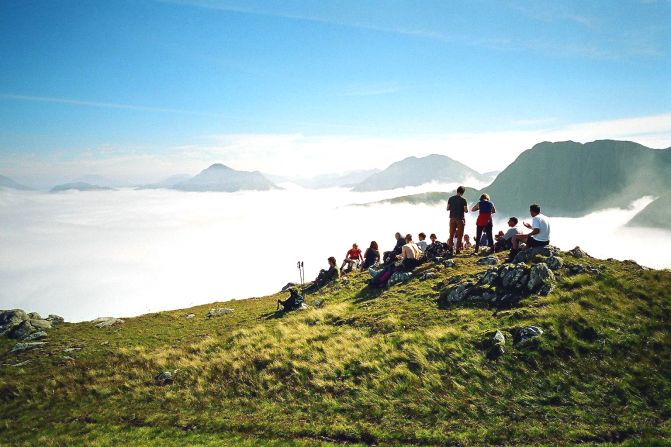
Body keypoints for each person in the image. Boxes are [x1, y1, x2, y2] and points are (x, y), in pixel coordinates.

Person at [446, 186, 468, 254]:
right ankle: (458, 249)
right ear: (463, 192)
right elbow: (465, 210)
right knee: (460, 235)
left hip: (452, 218)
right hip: (460, 218)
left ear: (457, 191)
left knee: (451, 234)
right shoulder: (463, 200)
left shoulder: (451, 198)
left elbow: (447, 208)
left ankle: (450, 248)